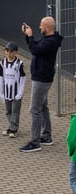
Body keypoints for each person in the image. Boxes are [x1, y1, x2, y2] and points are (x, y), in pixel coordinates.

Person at [19, 16, 64, 152]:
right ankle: (47, 136)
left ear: (47, 27)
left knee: (35, 109)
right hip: (42, 76)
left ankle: (35, 142)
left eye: (41, 25)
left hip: (42, 79)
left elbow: (36, 50)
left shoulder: (50, 42)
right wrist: (28, 37)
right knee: (43, 106)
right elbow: (37, 46)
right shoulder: (48, 39)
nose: (39, 27)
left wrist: (30, 36)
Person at [0, 42, 26, 138]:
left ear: (16, 52)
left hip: (16, 92)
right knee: (8, 111)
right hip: (6, 92)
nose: (8, 54)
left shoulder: (19, 64)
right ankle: (11, 127)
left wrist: (20, 93)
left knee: (15, 111)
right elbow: (1, 77)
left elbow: (22, 78)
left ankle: (14, 129)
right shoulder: (3, 63)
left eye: (11, 52)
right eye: (7, 51)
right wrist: (0, 91)